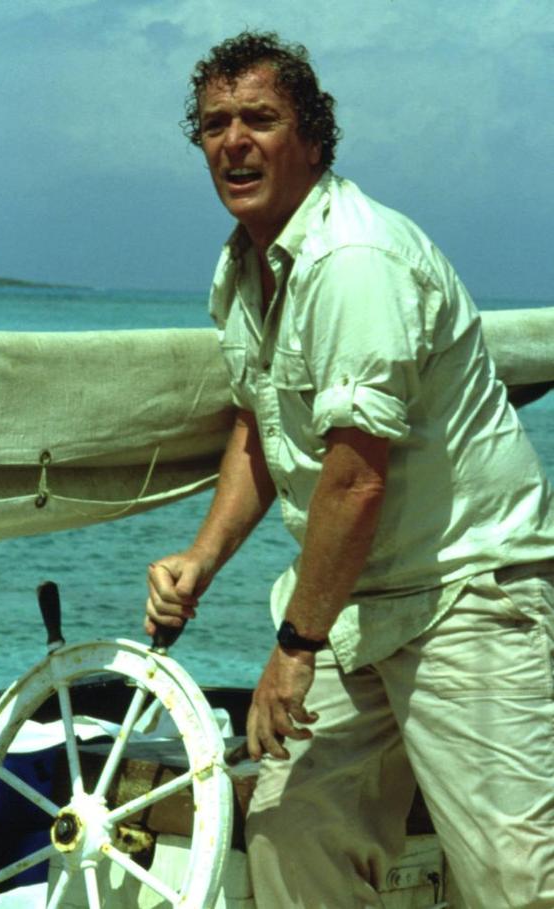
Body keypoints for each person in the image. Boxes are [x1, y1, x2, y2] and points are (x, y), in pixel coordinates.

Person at [145, 31, 554, 908]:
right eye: (215, 124)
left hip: (466, 589)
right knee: (291, 832)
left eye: (260, 119)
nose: (234, 141)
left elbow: (355, 479)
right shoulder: (245, 267)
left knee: (520, 879)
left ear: (312, 142)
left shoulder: (355, 260)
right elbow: (261, 425)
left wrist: (293, 648)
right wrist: (202, 558)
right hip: (356, 601)